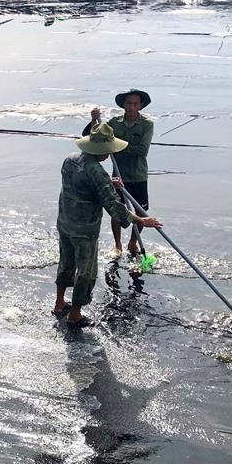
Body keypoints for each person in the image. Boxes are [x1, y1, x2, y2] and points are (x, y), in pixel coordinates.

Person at [55, 123, 162, 327]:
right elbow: (114, 206)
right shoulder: (97, 172)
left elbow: (80, 184)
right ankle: (75, 314)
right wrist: (141, 221)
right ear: (103, 151)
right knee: (86, 271)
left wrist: (107, 183)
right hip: (85, 230)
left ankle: (59, 303)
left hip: (65, 222)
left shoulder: (70, 160)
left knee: (66, 263)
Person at [84, 88, 154, 257]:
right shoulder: (114, 123)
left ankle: (132, 242)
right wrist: (94, 120)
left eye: (135, 104)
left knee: (141, 212)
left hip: (138, 175)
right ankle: (117, 245)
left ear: (140, 106)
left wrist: (117, 146)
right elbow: (91, 136)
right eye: (128, 103)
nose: (131, 107)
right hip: (118, 175)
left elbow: (142, 150)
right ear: (123, 104)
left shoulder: (147, 124)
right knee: (117, 210)